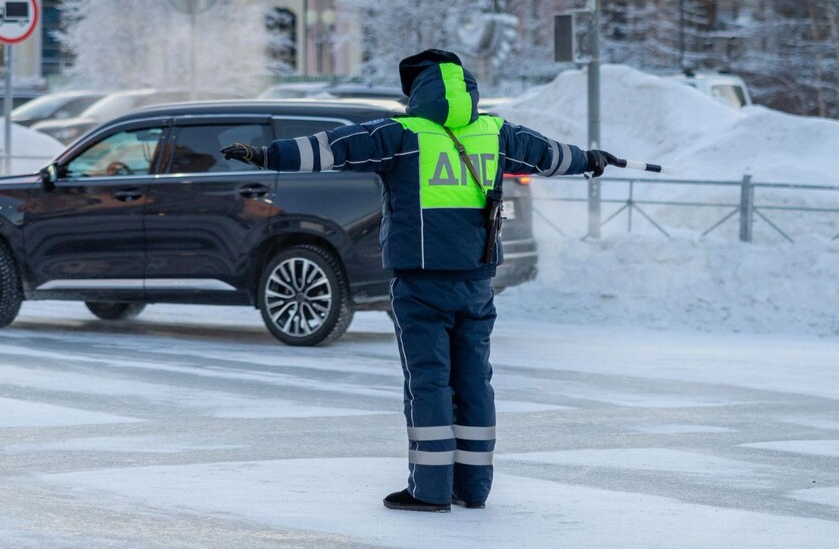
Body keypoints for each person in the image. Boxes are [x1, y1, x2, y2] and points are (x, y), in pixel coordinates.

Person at [222, 49, 616, 513]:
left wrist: (267, 153)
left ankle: (429, 490)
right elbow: (551, 156)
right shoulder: (495, 132)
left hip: (422, 282)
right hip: (476, 280)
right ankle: (473, 488)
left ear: (417, 91)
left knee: (429, 383)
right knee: (474, 381)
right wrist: (591, 159)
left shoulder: (403, 134)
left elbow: (334, 147)